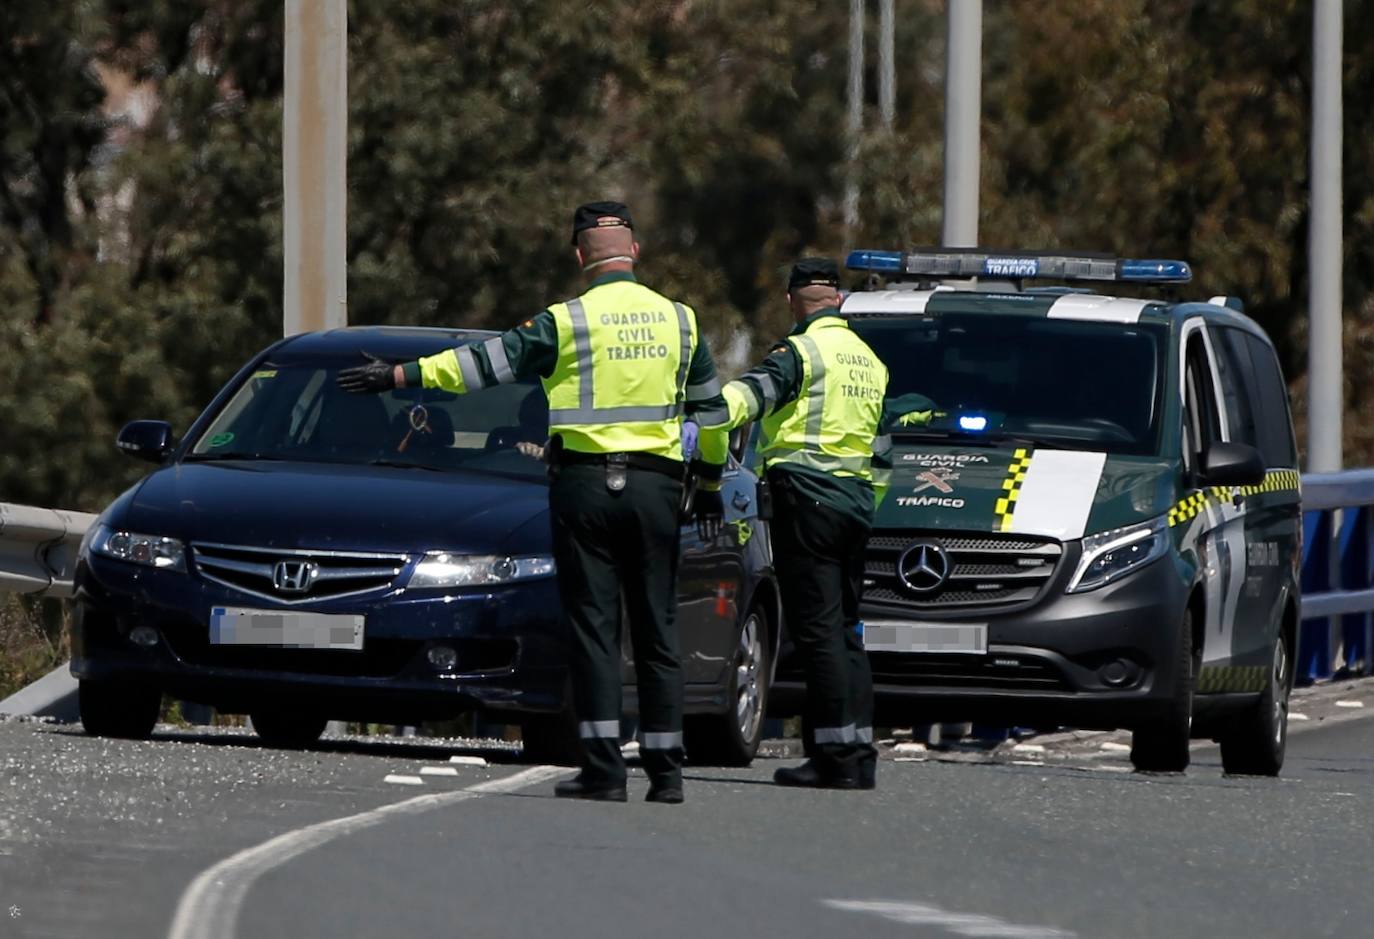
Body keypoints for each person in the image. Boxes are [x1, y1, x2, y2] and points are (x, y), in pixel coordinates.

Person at [338, 201, 730, 804]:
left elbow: (481, 367)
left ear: (579, 258)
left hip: (585, 485)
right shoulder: (681, 321)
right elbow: (712, 414)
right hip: (656, 488)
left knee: (596, 629)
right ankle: (667, 771)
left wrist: (398, 378)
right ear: (637, 253)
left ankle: (603, 768)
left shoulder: (565, 322)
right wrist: (705, 484)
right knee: (657, 627)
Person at [707, 257, 890, 789]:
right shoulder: (870, 361)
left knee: (818, 634)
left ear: (792, 301)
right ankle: (857, 752)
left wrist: (699, 414)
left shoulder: (801, 352)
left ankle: (832, 756)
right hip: (855, 506)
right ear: (839, 299)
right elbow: (881, 451)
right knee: (847, 632)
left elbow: (750, 396)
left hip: (807, 500)